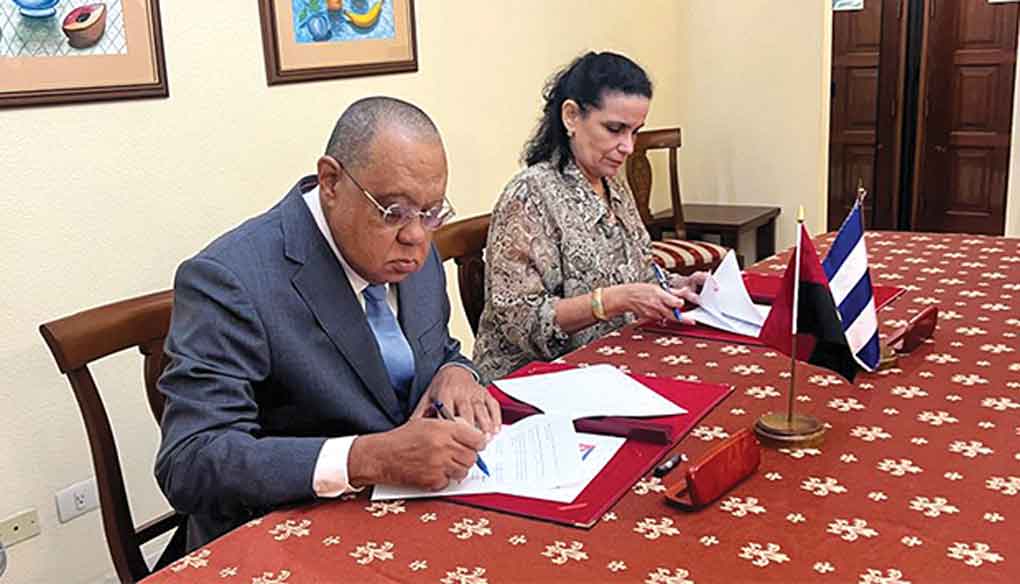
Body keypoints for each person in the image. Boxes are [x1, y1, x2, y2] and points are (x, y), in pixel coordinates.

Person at [155, 96, 502, 550]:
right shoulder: (231, 278)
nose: (416, 235)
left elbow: (437, 350)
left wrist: (456, 371)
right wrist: (365, 458)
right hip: (285, 535)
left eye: (432, 212)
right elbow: (191, 460)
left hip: (412, 510)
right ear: (331, 181)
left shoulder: (410, 242)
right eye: (392, 211)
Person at [473, 51, 709, 383]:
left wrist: (676, 286)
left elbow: (636, 270)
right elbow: (522, 322)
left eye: (635, 131)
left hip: (609, 363)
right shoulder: (528, 195)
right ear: (571, 116)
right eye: (615, 129)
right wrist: (615, 300)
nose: (628, 147)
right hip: (535, 381)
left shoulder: (612, 183)